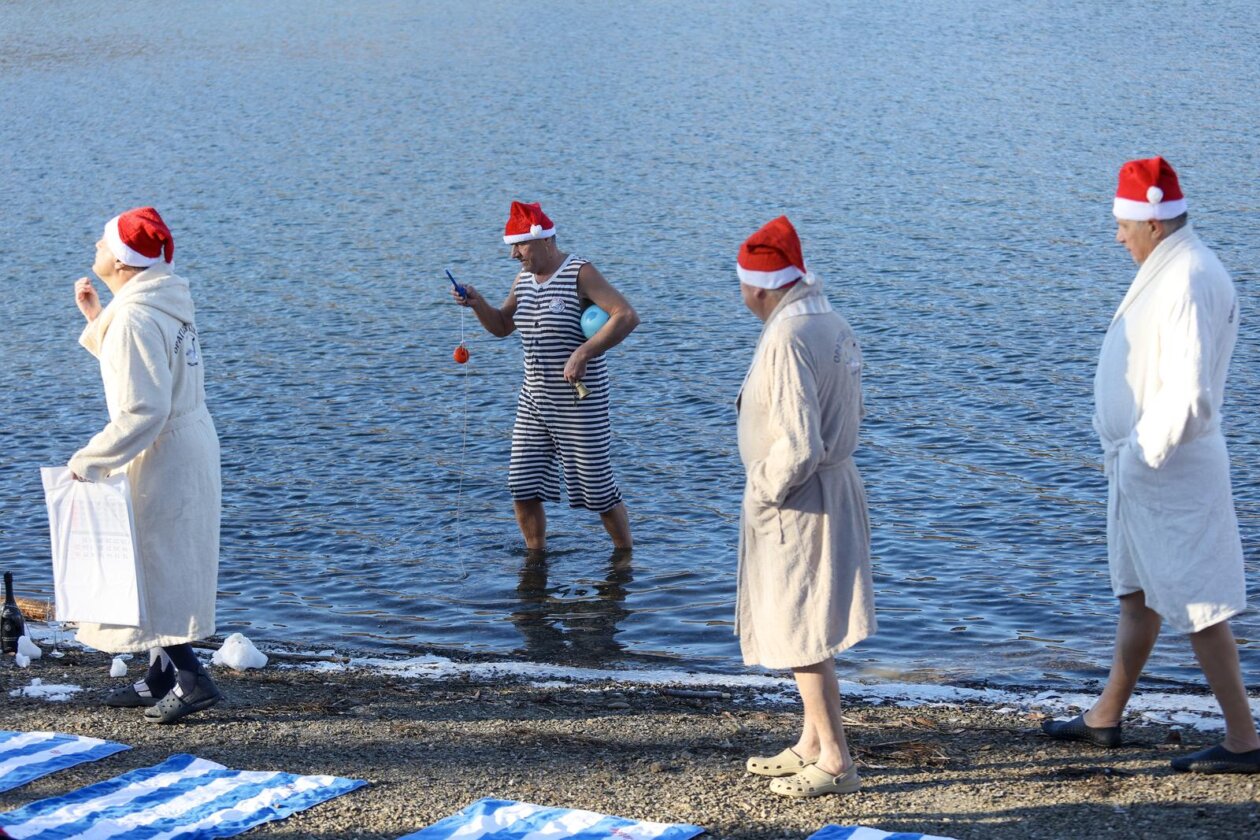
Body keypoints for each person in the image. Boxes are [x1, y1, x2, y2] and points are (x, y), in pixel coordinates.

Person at [1041, 157, 1260, 773]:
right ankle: (1105, 717)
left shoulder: (1188, 276)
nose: (1117, 236)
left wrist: (1142, 454)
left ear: (1154, 224)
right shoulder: (1172, 265)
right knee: (1138, 594)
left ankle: (1246, 742)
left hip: (1169, 470)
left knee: (1198, 605)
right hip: (1143, 469)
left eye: (1123, 225)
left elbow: (1190, 396)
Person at [734, 216, 875, 797]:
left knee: (800, 628)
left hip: (800, 497)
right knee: (804, 621)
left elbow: (798, 442)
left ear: (761, 287)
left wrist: (764, 490)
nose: (740, 295)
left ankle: (836, 760)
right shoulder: (829, 319)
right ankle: (811, 741)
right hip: (832, 485)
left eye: (741, 285)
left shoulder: (788, 337)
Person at [70, 206, 224, 725]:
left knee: (154, 563)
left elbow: (143, 407)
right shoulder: (158, 301)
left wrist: (88, 461)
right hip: (189, 439)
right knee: (162, 556)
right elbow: (148, 373)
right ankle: (160, 674)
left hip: (163, 449)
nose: (95, 246)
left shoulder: (135, 315)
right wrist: (99, 321)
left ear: (120, 257)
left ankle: (191, 677)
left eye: (101, 241)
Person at [452, 201, 639, 551]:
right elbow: (503, 326)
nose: (513, 255)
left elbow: (626, 316)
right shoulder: (523, 279)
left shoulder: (580, 273)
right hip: (534, 402)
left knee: (598, 491)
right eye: (512, 246)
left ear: (543, 240)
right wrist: (478, 304)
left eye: (519, 245)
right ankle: (536, 560)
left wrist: (584, 352)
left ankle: (625, 557)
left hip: (580, 403)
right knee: (522, 487)